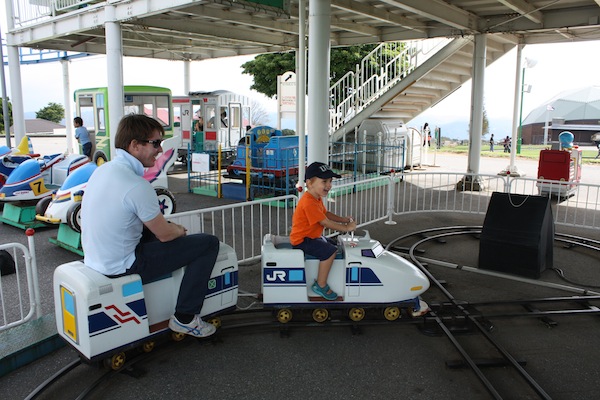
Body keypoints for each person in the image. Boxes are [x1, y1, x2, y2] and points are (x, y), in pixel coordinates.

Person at [81, 114, 219, 338]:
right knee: (207, 244)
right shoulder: (136, 185)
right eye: (155, 143)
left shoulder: (103, 171)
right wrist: (179, 231)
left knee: (168, 237)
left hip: (96, 258)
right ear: (135, 145)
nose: (160, 150)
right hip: (123, 264)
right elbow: (165, 234)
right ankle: (185, 317)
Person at [289, 162, 357, 300]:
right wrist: (346, 228)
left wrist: (343, 219)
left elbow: (326, 214)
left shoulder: (316, 199)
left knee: (333, 245)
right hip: (302, 240)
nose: (329, 185)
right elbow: (324, 222)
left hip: (311, 237)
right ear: (309, 183)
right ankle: (320, 284)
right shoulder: (308, 202)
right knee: (330, 252)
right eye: (324, 181)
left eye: (330, 181)